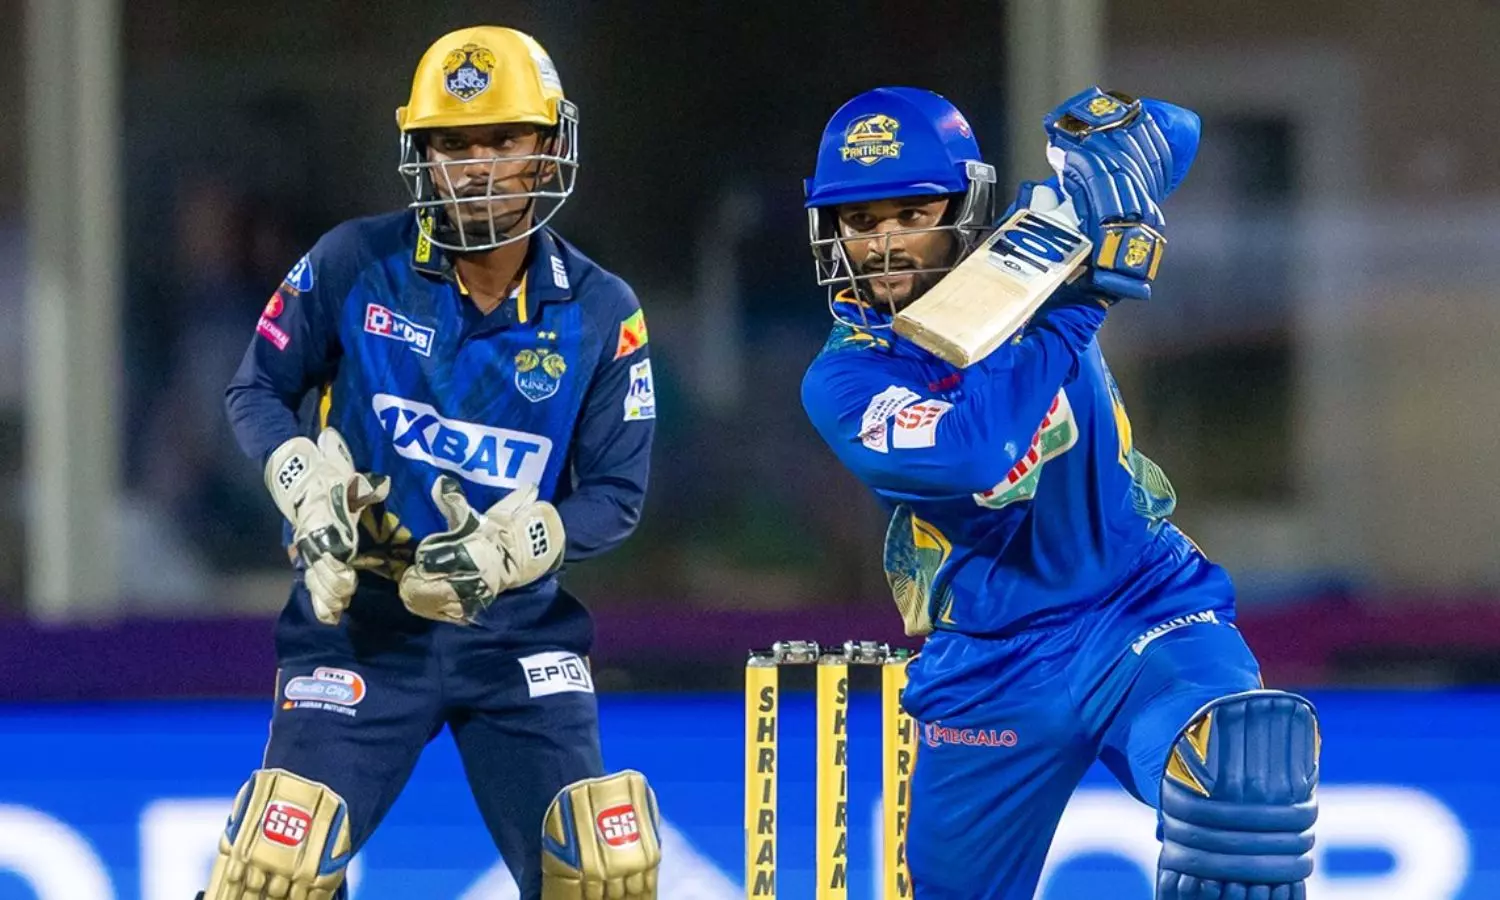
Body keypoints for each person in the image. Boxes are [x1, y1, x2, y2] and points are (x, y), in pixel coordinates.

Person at [799, 85, 1319, 899]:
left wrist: (1095, 149)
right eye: (861, 221)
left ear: (964, 207)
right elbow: (976, 452)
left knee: (1239, 775)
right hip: (990, 659)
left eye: (913, 213)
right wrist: (1073, 306)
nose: (886, 243)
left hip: (1139, 609)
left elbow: (1176, 132)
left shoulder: (1034, 248)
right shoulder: (847, 377)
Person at [203, 25, 661, 900]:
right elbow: (256, 389)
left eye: (504, 139)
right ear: (422, 155)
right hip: (359, 619)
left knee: (599, 873)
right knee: (272, 874)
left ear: (551, 147)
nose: (479, 166)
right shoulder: (354, 262)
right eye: (454, 144)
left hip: (516, 629)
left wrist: (518, 546)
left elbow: (615, 494)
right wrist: (303, 485)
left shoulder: (603, 310)